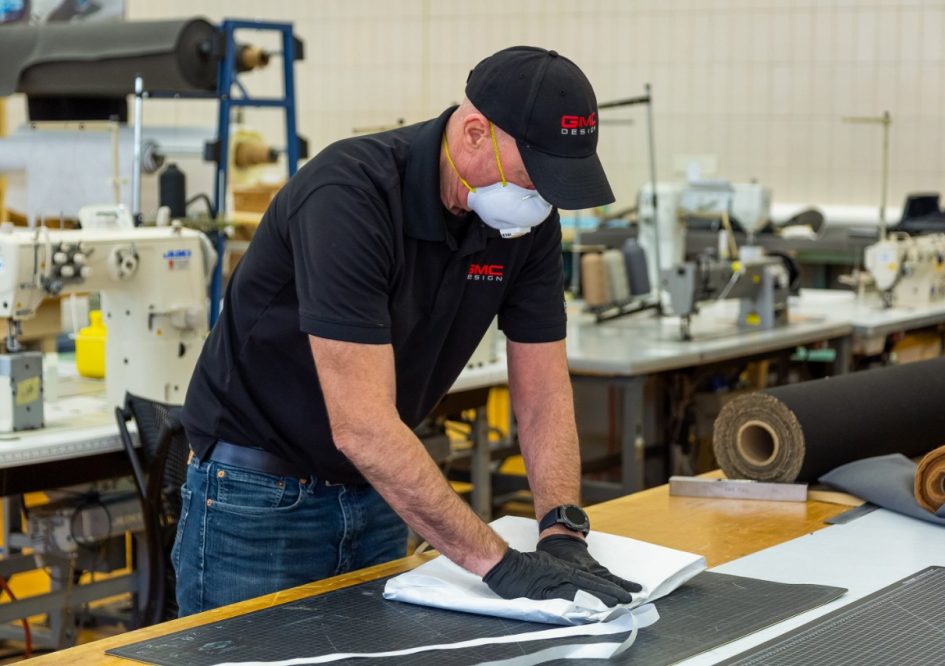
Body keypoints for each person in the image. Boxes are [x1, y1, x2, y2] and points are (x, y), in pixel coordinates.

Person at [173, 45, 640, 616]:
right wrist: (501, 563)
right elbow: (363, 427)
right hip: (259, 498)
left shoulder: (522, 222)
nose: (539, 200)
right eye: (531, 178)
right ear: (474, 134)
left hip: (377, 491)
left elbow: (543, 392)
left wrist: (562, 529)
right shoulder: (348, 196)